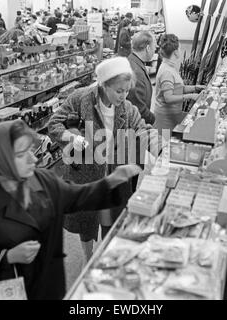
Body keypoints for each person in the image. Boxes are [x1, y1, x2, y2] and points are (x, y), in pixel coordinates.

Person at [0, 119, 141, 300]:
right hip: (13, 291)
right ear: (1, 161)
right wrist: (7, 256)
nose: (33, 158)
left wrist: (111, 181)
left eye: (30, 151)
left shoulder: (42, 179)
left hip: (51, 282)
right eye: (21, 154)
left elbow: (77, 196)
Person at [48, 57, 164, 262]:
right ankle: (87, 256)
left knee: (111, 219)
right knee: (86, 221)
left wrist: (163, 151)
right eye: (119, 91)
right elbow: (54, 124)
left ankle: (105, 256)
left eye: (127, 90)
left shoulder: (128, 109)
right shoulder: (80, 99)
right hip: (84, 173)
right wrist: (72, 137)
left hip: (113, 174)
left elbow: (144, 130)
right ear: (104, 85)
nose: (124, 96)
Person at [154, 34, 204, 133]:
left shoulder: (170, 67)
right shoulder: (167, 72)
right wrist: (189, 96)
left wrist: (195, 88)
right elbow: (168, 98)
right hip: (165, 119)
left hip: (172, 115)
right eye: (179, 48)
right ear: (176, 52)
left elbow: (178, 88)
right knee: (165, 145)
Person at [127, 31, 156, 125]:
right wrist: (153, 119)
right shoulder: (136, 71)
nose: (154, 51)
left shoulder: (134, 62)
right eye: (154, 48)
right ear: (148, 48)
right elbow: (138, 107)